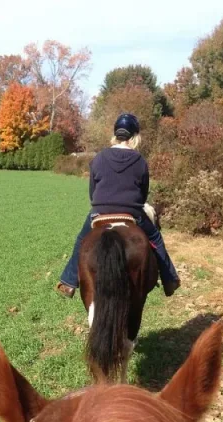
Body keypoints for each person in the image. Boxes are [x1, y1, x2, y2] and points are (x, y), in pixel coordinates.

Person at [56, 113, 181, 298]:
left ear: (116, 134)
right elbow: (143, 193)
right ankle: (169, 280)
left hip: (100, 211)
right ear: (134, 136)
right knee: (155, 237)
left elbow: (92, 191)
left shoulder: (99, 158)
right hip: (132, 212)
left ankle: (68, 282)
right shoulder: (140, 161)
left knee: (82, 239)